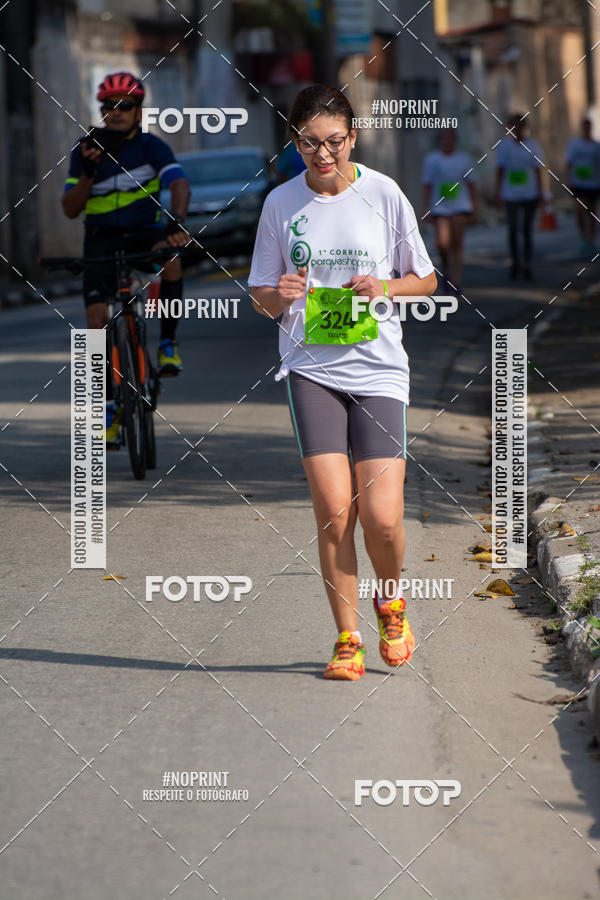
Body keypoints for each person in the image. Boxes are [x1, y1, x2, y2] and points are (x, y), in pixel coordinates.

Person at [248, 84, 437, 681]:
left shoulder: (384, 193)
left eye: (333, 141)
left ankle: (391, 599)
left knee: (382, 516)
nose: (322, 154)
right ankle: (348, 638)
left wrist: (386, 288)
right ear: (294, 142)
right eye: (309, 143)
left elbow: (426, 279)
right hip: (312, 371)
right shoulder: (280, 204)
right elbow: (259, 296)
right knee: (334, 512)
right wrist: (276, 296)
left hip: (379, 370)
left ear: (352, 136)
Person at [62, 72, 190, 444]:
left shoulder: (152, 147)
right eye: (108, 107)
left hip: (143, 232)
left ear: (138, 111)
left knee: (173, 258)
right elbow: (70, 209)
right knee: (95, 321)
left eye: (125, 106)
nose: (116, 113)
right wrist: (87, 173)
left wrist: (176, 222)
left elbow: (179, 183)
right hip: (100, 239)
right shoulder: (85, 150)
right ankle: (109, 407)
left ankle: (168, 345)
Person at [422, 127, 478, 296]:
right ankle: (446, 272)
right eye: (444, 138)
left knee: (457, 244)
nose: (447, 141)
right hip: (440, 207)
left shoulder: (464, 159)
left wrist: (475, 208)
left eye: (450, 138)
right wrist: (426, 208)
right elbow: (427, 184)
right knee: (443, 244)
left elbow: (472, 184)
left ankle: (456, 281)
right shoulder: (432, 159)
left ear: (455, 140)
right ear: (440, 141)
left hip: (460, 206)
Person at [495, 114, 543, 280]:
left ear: (524, 127)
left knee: (527, 230)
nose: (516, 130)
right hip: (510, 194)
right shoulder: (504, 146)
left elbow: (538, 170)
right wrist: (498, 193)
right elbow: (500, 171)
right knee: (513, 229)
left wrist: (542, 193)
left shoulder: (533, 146)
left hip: (530, 193)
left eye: (519, 126)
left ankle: (527, 263)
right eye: (513, 127)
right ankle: (515, 262)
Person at [566, 117, 600, 254]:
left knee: (592, 211)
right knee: (579, 210)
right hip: (578, 183)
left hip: (593, 184)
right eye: (585, 128)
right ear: (582, 129)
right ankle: (583, 238)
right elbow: (569, 163)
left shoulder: (596, 146)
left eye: (589, 128)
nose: (587, 130)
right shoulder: (574, 145)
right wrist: (569, 180)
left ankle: (591, 239)